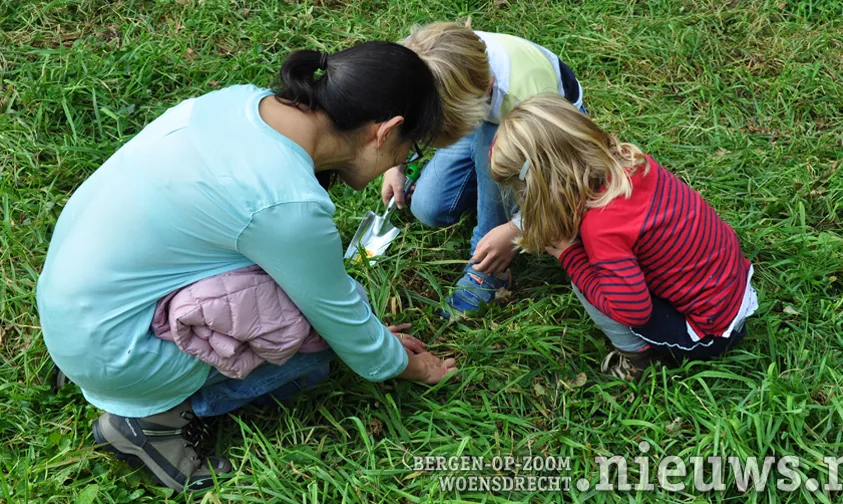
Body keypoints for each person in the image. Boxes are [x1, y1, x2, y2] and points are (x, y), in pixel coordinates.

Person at [36, 41, 456, 492]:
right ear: (386, 131)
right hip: (118, 354)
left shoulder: (239, 101)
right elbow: (340, 319)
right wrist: (403, 365)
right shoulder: (286, 203)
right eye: (408, 150)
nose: (400, 162)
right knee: (310, 340)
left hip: (72, 309)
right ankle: (149, 422)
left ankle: (110, 369)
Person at [489, 94, 759, 381]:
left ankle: (638, 358)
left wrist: (571, 259)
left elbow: (632, 311)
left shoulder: (601, 227)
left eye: (522, 192)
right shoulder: (630, 162)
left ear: (544, 186)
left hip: (709, 332)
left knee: (587, 275)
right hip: (732, 284)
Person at [380, 21, 587, 316]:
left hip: (542, 134)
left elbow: (565, 180)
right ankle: (486, 174)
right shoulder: (434, 60)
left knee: (491, 153)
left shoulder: (529, 100)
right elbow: (405, 107)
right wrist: (395, 165)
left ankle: (489, 271)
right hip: (483, 118)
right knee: (429, 209)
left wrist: (517, 229)